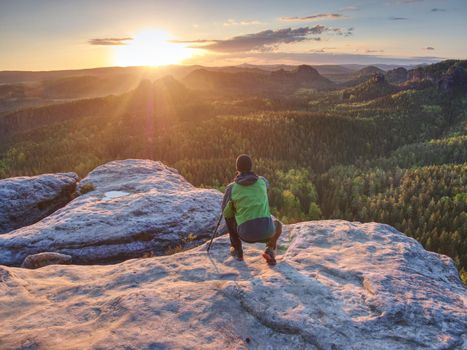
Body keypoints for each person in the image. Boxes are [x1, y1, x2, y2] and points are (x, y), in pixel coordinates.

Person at [221, 154, 282, 265]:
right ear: (251, 166)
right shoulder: (262, 181)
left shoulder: (232, 188)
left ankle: (237, 250)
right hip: (267, 232)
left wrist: (234, 207)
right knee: (278, 225)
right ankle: (270, 251)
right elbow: (267, 184)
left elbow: (226, 212)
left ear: (237, 168)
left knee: (229, 218)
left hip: (246, 234)